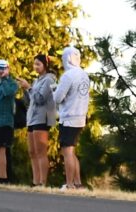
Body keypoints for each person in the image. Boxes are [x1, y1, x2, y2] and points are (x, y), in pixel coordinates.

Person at [53, 46, 90, 190]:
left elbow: (58, 98)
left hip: (68, 117)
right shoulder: (83, 74)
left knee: (67, 152)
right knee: (72, 151)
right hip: (80, 117)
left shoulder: (68, 75)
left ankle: (69, 184)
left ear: (67, 58)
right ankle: (78, 183)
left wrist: (54, 90)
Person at [17, 54, 57, 187]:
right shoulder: (36, 81)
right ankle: (35, 181)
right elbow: (30, 100)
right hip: (31, 119)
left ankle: (43, 182)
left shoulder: (49, 80)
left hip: (42, 118)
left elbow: (40, 99)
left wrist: (29, 87)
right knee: (32, 152)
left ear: (45, 65)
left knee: (40, 151)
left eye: (38, 64)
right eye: (34, 64)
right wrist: (25, 89)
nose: (35, 66)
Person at [0, 59, 18, 184]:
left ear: (8, 69)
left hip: (4, 122)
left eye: (3, 68)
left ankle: (2, 178)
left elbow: (8, 93)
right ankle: (0, 175)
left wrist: (5, 79)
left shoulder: (11, 83)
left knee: (1, 150)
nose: (0, 71)